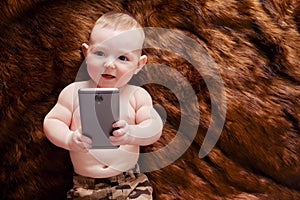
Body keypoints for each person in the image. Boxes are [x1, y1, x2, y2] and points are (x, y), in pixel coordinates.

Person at [43, 11, 163, 200]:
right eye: (100, 53)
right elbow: (52, 121)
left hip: (130, 183)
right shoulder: (72, 92)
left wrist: (131, 133)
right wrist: (68, 138)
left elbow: (154, 128)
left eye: (122, 58)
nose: (109, 64)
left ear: (139, 65)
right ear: (86, 52)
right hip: (84, 187)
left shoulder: (137, 95)